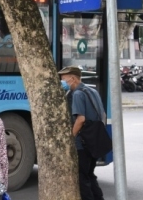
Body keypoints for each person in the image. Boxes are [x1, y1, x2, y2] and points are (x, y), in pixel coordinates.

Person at [58, 66, 105, 200]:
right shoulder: (93, 91)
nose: (62, 82)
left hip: (83, 143)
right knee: (90, 175)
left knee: (82, 178)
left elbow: (80, 119)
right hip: (94, 140)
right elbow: (103, 114)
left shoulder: (77, 94)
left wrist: (71, 138)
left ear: (73, 79)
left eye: (64, 79)